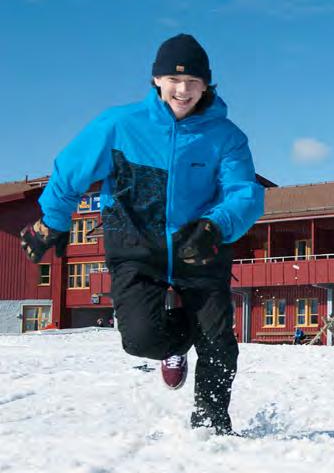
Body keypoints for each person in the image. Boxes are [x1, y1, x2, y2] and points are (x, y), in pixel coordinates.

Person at [19, 34, 264, 435]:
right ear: (156, 80)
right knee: (141, 340)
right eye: (173, 79)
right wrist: (54, 221)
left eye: (193, 82)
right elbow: (71, 170)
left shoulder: (226, 136)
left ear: (207, 85)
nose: (183, 90)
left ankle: (211, 424)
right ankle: (172, 348)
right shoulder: (120, 125)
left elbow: (245, 193)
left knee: (218, 341)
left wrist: (215, 225)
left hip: (200, 246)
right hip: (136, 245)